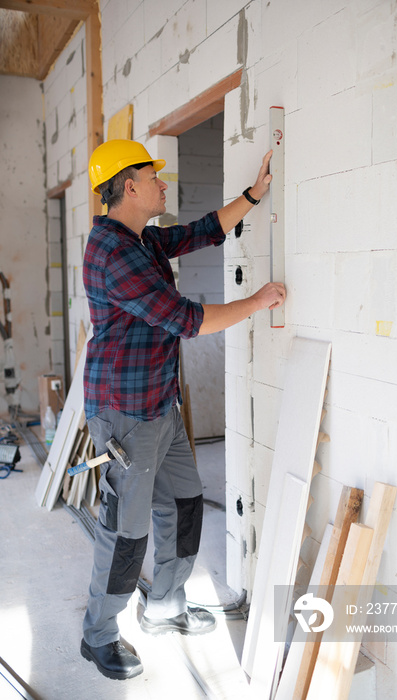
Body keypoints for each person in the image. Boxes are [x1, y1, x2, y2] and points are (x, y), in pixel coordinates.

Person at [80, 138, 286, 680]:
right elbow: (183, 318)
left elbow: (198, 232)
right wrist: (257, 302)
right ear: (129, 186)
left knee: (187, 503)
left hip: (159, 401)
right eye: (154, 177)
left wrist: (254, 195)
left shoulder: (141, 238)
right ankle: (97, 634)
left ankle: (165, 607)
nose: (163, 184)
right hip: (125, 411)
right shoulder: (112, 254)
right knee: (126, 530)